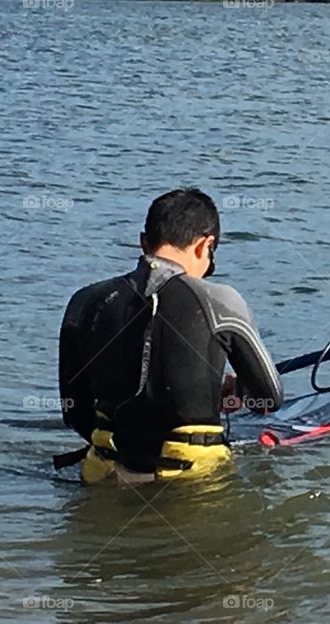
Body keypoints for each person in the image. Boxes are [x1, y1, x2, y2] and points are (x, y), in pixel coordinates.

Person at [56, 188, 283, 483]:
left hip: (106, 474)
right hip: (192, 480)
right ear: (205, 245)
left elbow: (73, 411)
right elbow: (269, 398)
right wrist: (233, 392)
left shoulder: (84, 301)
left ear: (143, 242)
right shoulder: (221, 300)